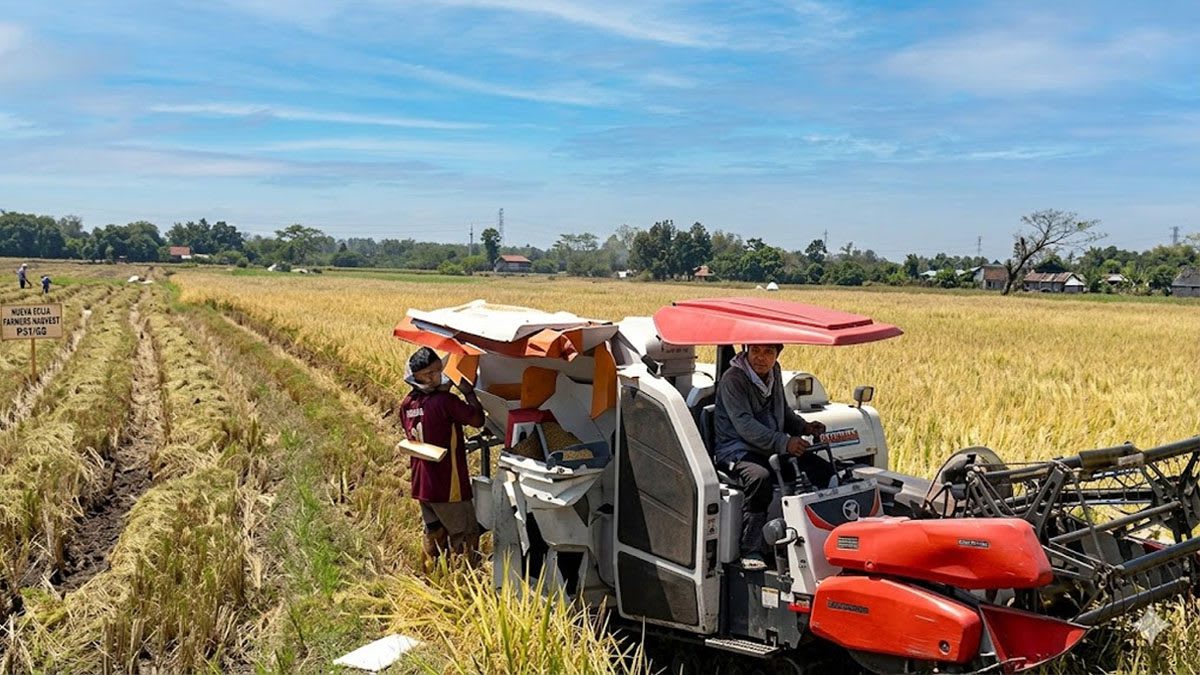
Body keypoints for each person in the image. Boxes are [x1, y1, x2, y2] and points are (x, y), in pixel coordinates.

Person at [713, 344, 832, 570]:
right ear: (746, 351)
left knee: (818, 467)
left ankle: (816, 535)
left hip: (767, 446)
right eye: (756, 350)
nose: (761, 358)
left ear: (777, 355)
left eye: (769, 352)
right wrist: (784, 442)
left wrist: (804, 427)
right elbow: (744, 425)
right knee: (760, 478)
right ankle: (751, 548)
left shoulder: (774, 371)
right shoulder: (733, 380)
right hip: (736, 448)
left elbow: (782, 412)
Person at [399, 346, 485, 568]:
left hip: (422, 484)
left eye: (438, 371)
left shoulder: (407, 403)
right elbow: (477, 420)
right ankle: (466, 585)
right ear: (415, 376)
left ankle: (433, 577)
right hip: (448, 486)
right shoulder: (445, 402)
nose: (435, 377)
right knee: (465, 536)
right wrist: (468, 392)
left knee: (434, 534)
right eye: (429, 374)